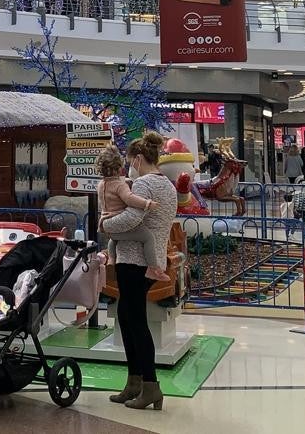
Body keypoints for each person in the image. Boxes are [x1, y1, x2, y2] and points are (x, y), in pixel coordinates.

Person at [99, 131, 176, 411]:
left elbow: (131, 219)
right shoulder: (167, 185)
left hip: (134, 260)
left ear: (139, 159)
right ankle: (135, 382)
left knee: (136, 322)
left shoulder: (143, 185)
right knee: (127, 317)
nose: (128, 167)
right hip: (151, 259)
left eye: (130, 161)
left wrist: (104, 225)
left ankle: (150, 385)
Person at [96, 147, 169, 282]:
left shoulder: (101, 184)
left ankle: (112, 259)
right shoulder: (119, 185)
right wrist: (147, 203)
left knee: (114, 239)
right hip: (117, 221)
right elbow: (129, 198)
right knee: (148, 237)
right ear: (119, 168)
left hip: (105, 223)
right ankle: (153, 268)